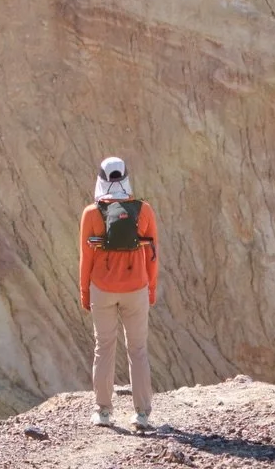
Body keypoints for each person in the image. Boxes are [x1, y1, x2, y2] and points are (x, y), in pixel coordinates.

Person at [79, 155, 159, 431]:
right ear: (126, 178)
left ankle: (103, 412)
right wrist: (151, 290)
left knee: (104, 347)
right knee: (137, 350)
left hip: (102, 289)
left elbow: (85, 259)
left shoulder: (91, 213)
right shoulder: (144, 210)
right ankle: (143, 415)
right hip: (136, 289)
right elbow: (153, 256)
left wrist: (84, 293)